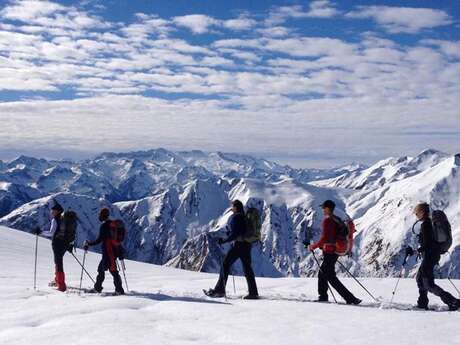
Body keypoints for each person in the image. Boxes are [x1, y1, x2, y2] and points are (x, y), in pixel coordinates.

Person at [308, 200, 361, 304]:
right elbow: (331, 238)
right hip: (335, 251)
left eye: (323, 207)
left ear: (328, 208)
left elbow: (324, 238)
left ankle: (350, 299)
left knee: (330, 277)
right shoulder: (337, 219)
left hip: (330, 252)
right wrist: (323, 246)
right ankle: (323, 296)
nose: (323, 210)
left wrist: (313, 246)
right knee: (323, 273)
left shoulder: (328, 221)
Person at [205, 200, 259, 299]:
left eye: (232, 206)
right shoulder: (244, 217)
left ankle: (219, 290)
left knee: (225, 264)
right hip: (247, 245)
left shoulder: (236, 217)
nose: (231, 208)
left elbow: (235, 234)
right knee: (247, 269)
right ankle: (253, 292)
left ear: (235, 208)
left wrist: (224, 241)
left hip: (239, 245)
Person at [413, 202, 459, 311]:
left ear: (422, 212)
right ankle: (422, 302)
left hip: (430, 256)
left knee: (428, 283)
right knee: (420, 279)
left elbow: (427, 243)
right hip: (432, 255)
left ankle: (453, 301)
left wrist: (417, 250)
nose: (416, 215)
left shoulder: (426, 224)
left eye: (417, 213)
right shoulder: (429, 223)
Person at [84, 208, 125, 295]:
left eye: (99, 214)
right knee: (102, 269)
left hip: (108, 252)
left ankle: (118, 290)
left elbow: (99, 240)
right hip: (114, 251)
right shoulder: (111, 224)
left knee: (113, 271)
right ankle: (99, 288)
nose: (98, 216)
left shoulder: (104, 226)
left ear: (102, 216)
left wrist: (89, 243)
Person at [42, 202, 69, 292]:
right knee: (58, 261)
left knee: (58, 263)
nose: (51, 212)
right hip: (65, 244)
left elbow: (51, 233)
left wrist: (41, 232)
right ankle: (57, 280)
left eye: (53, 210)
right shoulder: (64, 219)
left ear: (57, 211)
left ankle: (61, 285)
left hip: (57, 244)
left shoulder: (55, 220)